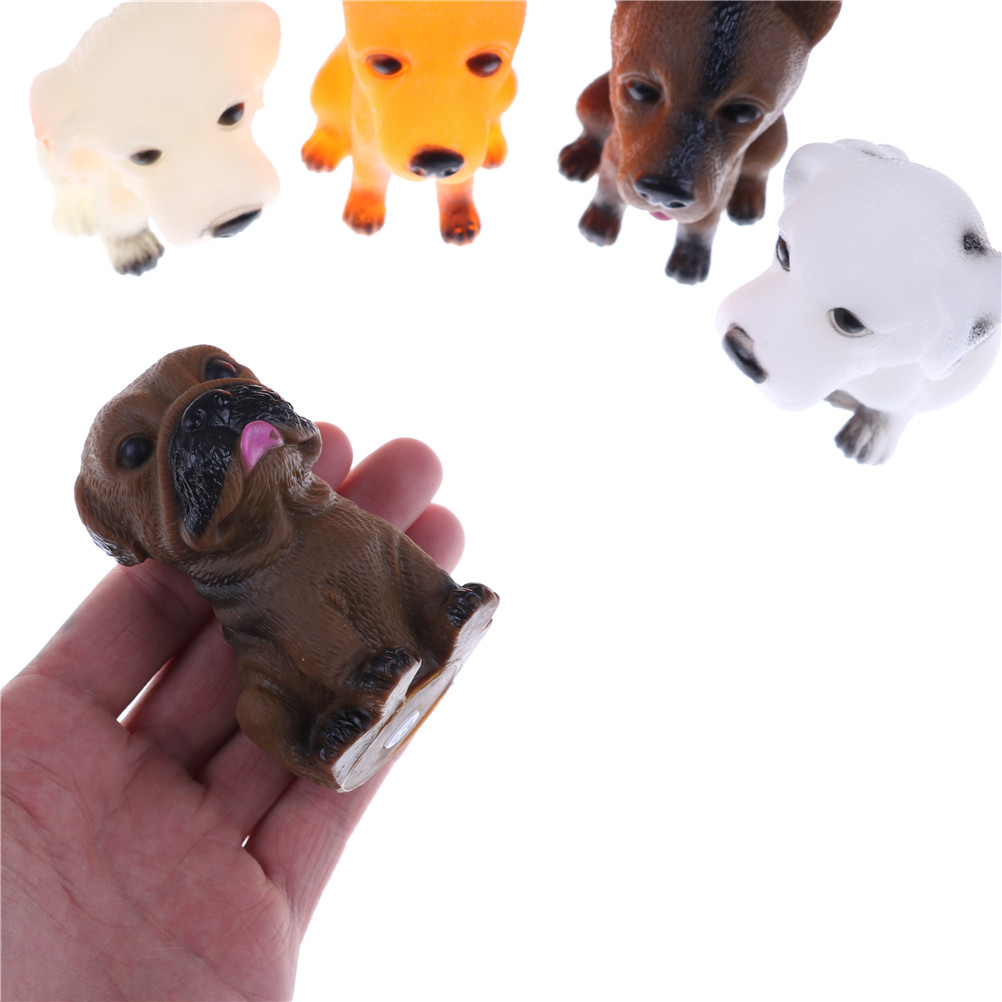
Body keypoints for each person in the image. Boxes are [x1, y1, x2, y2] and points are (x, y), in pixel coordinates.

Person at [1, 426, 465, 1002]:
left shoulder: (319, 507)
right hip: (297, 668)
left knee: (383, 549)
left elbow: (389, 553)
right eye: (136, 451)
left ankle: (443, 613)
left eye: (221, 381)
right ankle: (338, 724)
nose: (210, 416)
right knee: (266, 702)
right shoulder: (249, 576)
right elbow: (300, 623)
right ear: (117, 527)